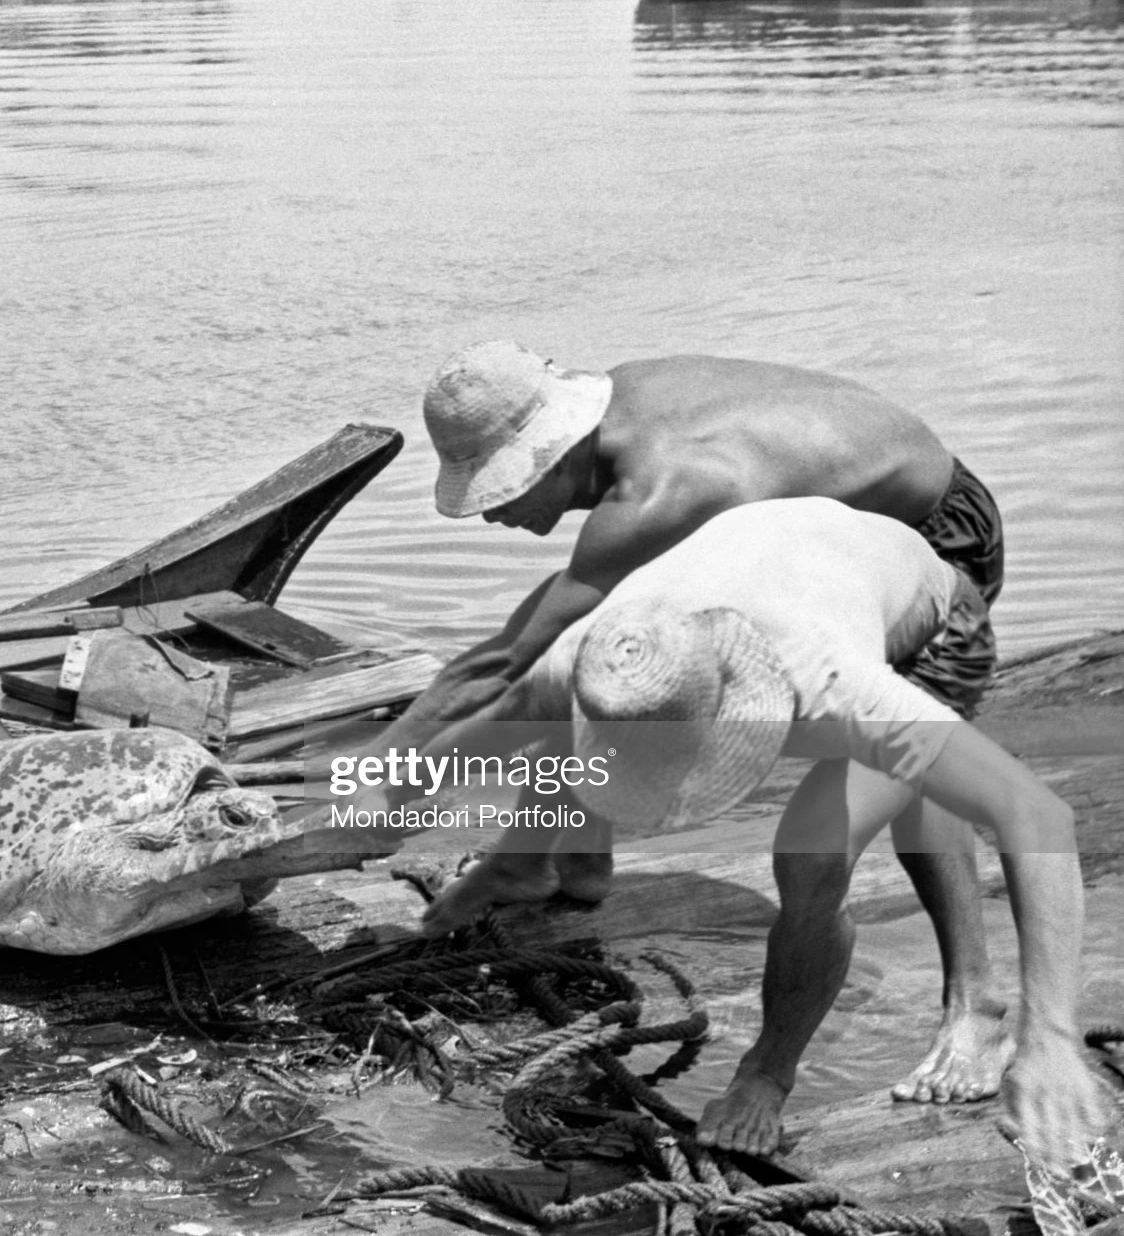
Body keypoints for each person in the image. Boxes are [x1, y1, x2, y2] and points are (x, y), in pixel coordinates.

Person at [350, 498, 1110, 1176]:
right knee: (902, 778)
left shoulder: (835, 682)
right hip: (801, 568)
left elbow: (1037, 816)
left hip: (934, 623)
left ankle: (783, 1068)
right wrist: (381, 823)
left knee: (815, 852)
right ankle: (577, 868)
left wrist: (1053, 1041)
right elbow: (465, 748)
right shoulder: (589, 660)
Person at [371, 339, 1005, 1104]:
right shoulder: (619, 414)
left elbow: (500, 665)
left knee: (901, 760)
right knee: (621, 650)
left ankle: (976, 1000)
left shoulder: (658, 494)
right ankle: (547, 859)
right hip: (818, 526)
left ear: (552, 456)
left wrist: (371, 793)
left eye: (499, 491)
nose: (494, 514)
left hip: (929, 542)